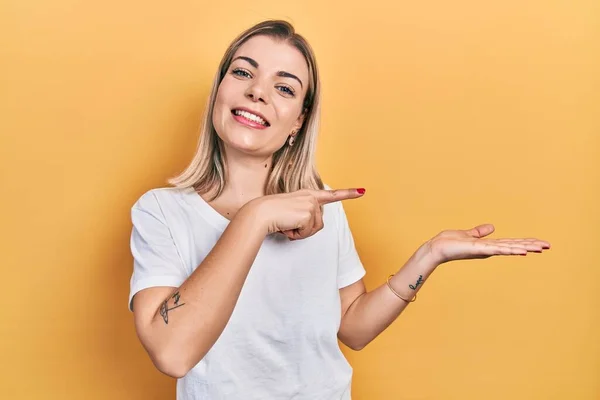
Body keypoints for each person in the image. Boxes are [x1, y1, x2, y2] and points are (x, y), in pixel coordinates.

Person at [127, 20, 550, 400]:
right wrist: (254, 217)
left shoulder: (322, 203)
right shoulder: (161, 212)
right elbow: (173, 353)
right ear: (220, 89)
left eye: (284, 87)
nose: (257, 91)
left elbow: (353, 327)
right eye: (243, 72)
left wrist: (429, 256)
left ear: (298, 121)